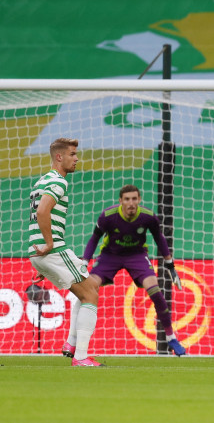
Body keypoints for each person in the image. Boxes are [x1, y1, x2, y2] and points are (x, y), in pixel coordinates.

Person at [68, 184, 186, 356]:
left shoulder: (148, 217)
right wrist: (84, 262)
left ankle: (171, 338)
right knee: (87, 290)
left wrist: (170, 265)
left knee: (155, 291)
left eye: (134, 199)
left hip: (137, 255)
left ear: (139, 199)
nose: (131, 203)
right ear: (120, 201)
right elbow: (94, 239)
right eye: (127, 199)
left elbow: (159, 239)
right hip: (110, 255)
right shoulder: (108, 216)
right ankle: (72, 340)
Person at [29, 138, 104, 367]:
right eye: (72, 154)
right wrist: (50, 245)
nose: (76, 158)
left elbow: (38, 215)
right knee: (90, 294)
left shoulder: (42, 180)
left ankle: (72, 344)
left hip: (38, 251)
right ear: (59, 157)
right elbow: (43, 211)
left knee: (89, 288)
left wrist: (43, 258)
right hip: (52, 249)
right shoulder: (59, 182)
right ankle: (79, 356)